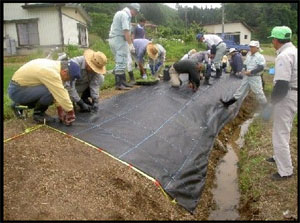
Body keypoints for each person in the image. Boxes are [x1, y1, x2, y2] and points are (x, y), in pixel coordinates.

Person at [263, 26, 297, 180]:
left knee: (280, 133)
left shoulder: (284, 56)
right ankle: (278, 157)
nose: (272, 42)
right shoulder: (294, 51)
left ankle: (285, 171)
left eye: (272, 40)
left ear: (276, 40)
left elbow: (282, 85)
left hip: (287, 95)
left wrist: (272, 104)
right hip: (293, 94)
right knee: (285, 128)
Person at [8, 59, 81, 125]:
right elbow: (59, 92)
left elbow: (58, 91)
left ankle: (19, 105)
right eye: (68, 79)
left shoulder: (55, 66)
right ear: (64, 72)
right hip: (17, 91)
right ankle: (38, 115)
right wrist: (70, 112)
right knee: (49, 91)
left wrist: (60, 110)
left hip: (22, 88)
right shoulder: (51, 72)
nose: (66, 81)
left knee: (51, 93)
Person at [220, 40, 267, 108]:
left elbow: (261, 67)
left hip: (255, 78)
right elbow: (245, 64)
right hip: (247, 77)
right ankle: (227, 104)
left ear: (257, 48)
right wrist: (243, 69)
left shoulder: (260, 57)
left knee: (259, 93)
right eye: (250, 47)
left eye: (253, 47)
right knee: (240, 91)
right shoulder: (249, 55)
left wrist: (250, 72)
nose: (251, 48)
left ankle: (266, 108)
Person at [108, 3, 140, 90]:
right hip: (119, 40)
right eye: (136, 12)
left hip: (113, 39)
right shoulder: (125, 15)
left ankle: (123, 82)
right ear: (133, 9)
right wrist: (130, 45)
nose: (135, 15)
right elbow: (126, 31)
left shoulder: (120, 13)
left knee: (120, 61)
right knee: (121, 61)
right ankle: (119, 84)